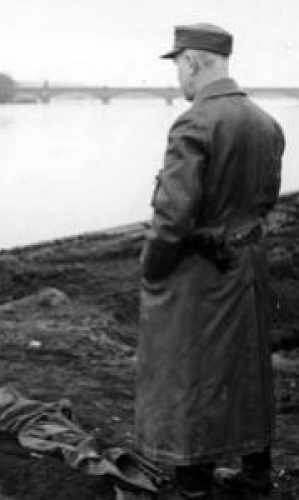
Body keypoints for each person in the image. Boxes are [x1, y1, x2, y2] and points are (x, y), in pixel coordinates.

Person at [135, 23, 284, 497]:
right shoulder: (266, 122)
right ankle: (256, 471)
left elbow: (172, 216)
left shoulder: (194, 123)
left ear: (195, 62)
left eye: (179, 64)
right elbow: (264, 201)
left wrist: (153, 267)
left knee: (190, 370)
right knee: (247, 365)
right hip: (248, 264)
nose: (179, 77)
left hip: (200, 273)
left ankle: (193, 483)